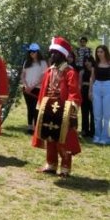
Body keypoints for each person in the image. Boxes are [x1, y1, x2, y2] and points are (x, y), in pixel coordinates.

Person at [33, 37, 82, 176]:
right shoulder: (50, 71)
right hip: (48, 109)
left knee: (63, 139)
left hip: (63, 111)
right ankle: (51, 164)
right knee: (50, 136)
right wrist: (40, 108)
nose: (52, 55)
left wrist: (72, 113)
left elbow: (73, 93)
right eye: (51, 52)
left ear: (62, 55)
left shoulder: (70, 72)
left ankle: (65, 168)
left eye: (55, 53)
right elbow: (44, 90)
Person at [20, 44, 48, 135]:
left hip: (37, 89)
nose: (32, 53)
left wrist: (32, 86)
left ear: (38, 52)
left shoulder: (43, 63)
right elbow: (23, 75)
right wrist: (26, 85)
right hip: (27, 89)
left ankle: (36, 128)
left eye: (34, 51)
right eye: (30, 52)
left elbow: (43, 77)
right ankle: (29, 127)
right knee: (30, 108)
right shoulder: (27, 62)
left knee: (36, 108)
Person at [90, 44, 110, 145]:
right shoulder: (95, 64)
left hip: (108, 87)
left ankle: (105, 137)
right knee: (97, 114)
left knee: (106, 115)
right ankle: (97, 136)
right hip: (96, 87)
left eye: (101, 51)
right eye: (98, 52)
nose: (99, 54)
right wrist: (90, 91)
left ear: (105, 52)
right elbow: (92, 78)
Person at [79, 55, 94, 139]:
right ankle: (84, 130)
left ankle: (92, 131)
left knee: (92, 112)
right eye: (85, 61)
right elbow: (80, 84)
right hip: (83, 93)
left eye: (89, 61)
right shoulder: (82, 71)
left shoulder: (94, 70)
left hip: (93, 92)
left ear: (92, 61)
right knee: (84, 112)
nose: (87, 62)